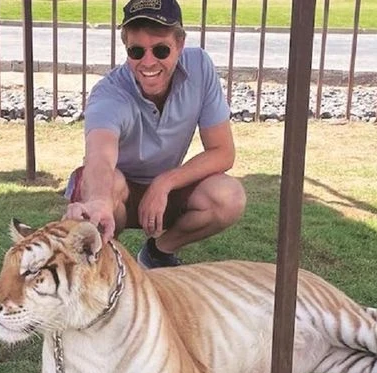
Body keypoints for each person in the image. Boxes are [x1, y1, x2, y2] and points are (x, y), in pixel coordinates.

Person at [63, 0, 246, 269]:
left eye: (161, 49)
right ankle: (105, 261)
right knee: (109, 185)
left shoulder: (200, 67)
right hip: (118, 193)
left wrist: (165, 182)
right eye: (136, 51)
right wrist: (99, 200)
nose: (148, 62)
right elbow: (100, 158)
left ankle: (158, 252)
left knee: (229, 197)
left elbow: (223, 152)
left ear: (180, 44)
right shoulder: (109, 93)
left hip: (167, 191)